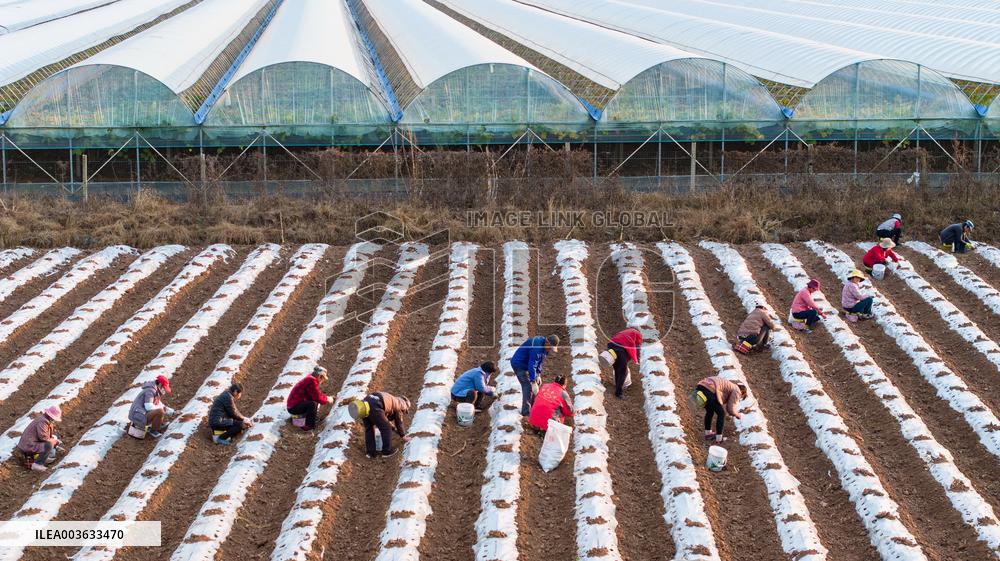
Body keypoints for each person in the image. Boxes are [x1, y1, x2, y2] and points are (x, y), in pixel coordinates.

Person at [348, 391, 412, 458]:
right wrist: (403, 435)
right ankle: (387, 451)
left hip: (364, 405)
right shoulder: (401, 405)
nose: (404, 412)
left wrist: (393, 428)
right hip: (375, 405)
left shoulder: (391, 400)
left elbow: (384, 419)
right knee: (386, 429)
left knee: (369, 428)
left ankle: (371, 453)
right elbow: (398, 422)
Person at [510, 334, 559, 417]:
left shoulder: (544, 347)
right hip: (519, 364)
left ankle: (533, 406)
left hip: (526, 363)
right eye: (550, 347)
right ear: (547, 342)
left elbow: (540, 361)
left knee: (538, 383)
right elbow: (532, 365)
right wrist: (533, 381)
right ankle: (526, 412)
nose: (550, 350)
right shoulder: (537, 348)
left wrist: (538, 375)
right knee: (527, 386)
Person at [692, 376, 746, 443]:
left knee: (710, 411)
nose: (739, 397)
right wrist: (737, 414)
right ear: (742, 392)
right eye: (741, 396)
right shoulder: (737, 390)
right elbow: (730, 408)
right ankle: (719, 439)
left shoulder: (730, 385)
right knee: (721, 414)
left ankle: (708, 434)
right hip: (710, 390)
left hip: (701, 386)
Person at [16, 406, 61, 472]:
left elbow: (47, 436)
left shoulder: (45, 420)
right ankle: (37, 464)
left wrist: (54, 442)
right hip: (29, 445)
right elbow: (43, 437)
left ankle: (45, 457)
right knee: (48, 445)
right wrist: (54, 442)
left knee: (51, 442)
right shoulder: (43, 421)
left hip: (31, 443)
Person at [286, 366, 330, 431]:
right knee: (312, 404)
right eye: (323, 379)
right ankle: (308, 426)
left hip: (294, 406)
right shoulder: (311, 381)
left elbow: (315, 395)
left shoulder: (309, 379)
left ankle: (297, 420)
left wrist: (326, 398)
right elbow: (317, 397)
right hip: (294, 407)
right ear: (320, 377)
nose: (322, 381)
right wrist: (327, 399)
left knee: (313, 402)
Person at [606, 327, 641, 398]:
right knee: (623, 372)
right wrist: (638, 359)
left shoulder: (624, 332)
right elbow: (637, 347)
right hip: (620, 349)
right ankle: (619, 393)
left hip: (611, 348)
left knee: (617, 369)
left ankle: (617, 386)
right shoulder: (637, 334)